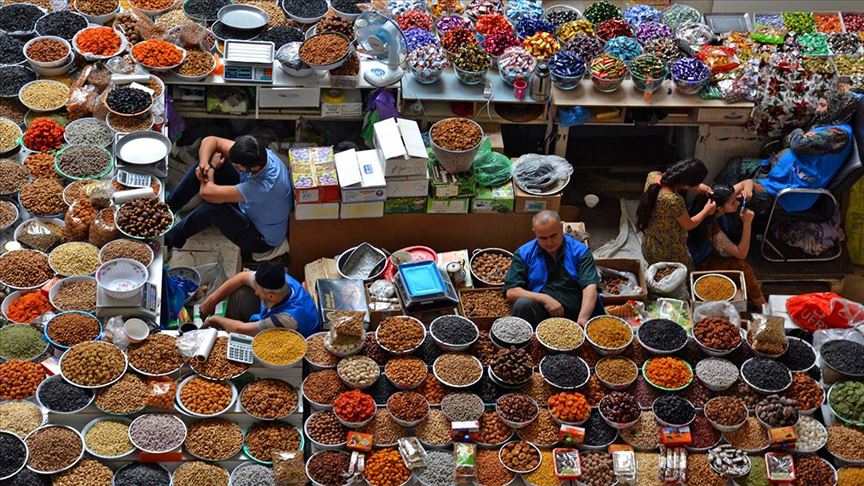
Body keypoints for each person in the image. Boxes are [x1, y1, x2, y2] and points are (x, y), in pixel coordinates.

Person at [716, 89, 857, 216]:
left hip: (789, 190)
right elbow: (789, 141)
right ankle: (712, 203)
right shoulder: (826, 124)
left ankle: (723, 226)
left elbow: (798, 143)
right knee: (735, 165)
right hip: (779, 173)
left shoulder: (838, 135)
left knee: (737, 198)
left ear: (837, 109)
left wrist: (797, 131)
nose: (817, 110)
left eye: (823, 106)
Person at [165, 135, 293, 253]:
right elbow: (211, 141)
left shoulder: (263, 187)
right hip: (253, 207)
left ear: (252, 168)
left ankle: (168, 241)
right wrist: (204, 164)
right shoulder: (260, 155)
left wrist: (213, 168)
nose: (233, 165)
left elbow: (206, 193)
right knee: (203, 167)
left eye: (237, 166)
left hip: (260, 238)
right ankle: (166, 210)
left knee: (212, 208)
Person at [503, 210, 602, 326]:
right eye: (543, 238)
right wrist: (543, 298)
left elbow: (590, 286)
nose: (549, 243)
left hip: (575, 310)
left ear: (561, 228)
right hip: (540, 312)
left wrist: (583, 318)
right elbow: (511, 291)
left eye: (553, 236)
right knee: (523, 304)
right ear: (535, 233)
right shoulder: (524, 253)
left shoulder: (580, 251)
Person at [688, 184, 766, 308]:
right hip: (701, 262)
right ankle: (763, 306)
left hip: (713, 250)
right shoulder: (711, 227)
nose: (737, 204)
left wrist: (747, 190)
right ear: (719, 208)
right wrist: (747, 223)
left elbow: (747, 182)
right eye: (733, 202)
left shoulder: (719, 197)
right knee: (741, 265)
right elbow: (741, 253)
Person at [201, 261, 319, 336]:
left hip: (293, 336)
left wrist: (214, 319)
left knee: (245, 333)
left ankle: (227, 333)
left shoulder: (289, 319)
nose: (255, 292)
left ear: (271, 296)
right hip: (269, 314)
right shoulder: (280, 281)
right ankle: (227, 328)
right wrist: (212, 301)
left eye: (258, 290)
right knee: (241, 292)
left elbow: (239, 329)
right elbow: (241, 278)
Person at [637, 158, 714, 271]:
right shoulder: (674, 201)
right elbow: (689, 224)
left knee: (658, 275)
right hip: (667, 251)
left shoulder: (652, 176)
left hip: (649, 246)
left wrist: (696, 186)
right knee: (685, 272)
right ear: (686, 185)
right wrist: (706, 210)